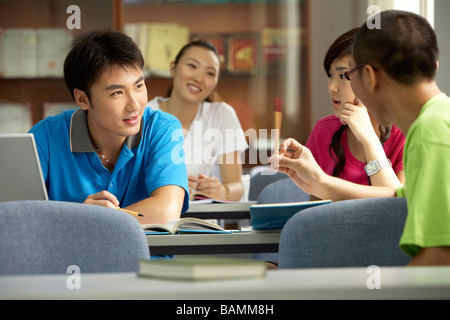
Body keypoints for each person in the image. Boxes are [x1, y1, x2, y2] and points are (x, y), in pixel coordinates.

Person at [272, 10, 450, 265]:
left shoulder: (430, 131)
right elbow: (397, 202)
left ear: (369, 76)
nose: (336, 87)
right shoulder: (437, 119)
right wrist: (320, 182)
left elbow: (441, 257)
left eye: (348, 75)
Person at [28, 30, 189, 224]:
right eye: (117, 93)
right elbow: (21, 220)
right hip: (73, 255)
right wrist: (81, 217)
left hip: (147, 254)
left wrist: (91, 220)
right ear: (83, 99)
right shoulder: (43, 138)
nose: (135, 105)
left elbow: (167, 211)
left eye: (139, 86)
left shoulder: (163, 129)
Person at [306, 27, 405, 192]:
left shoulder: (405, 132)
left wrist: (369, 139)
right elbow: (318, 213)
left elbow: (399, 208)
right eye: (330, 75)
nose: (332, 88)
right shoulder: (323, 130)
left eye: (344, 76)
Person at [147, 40, 248, 201]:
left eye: (210, 73)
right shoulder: (144, 115)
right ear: (173, 68)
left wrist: (221, 191)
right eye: (192, 66)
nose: (199, 78)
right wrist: (170, 187)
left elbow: (236, 186)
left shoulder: (222, 115)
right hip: (156, 220)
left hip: (202, 221)